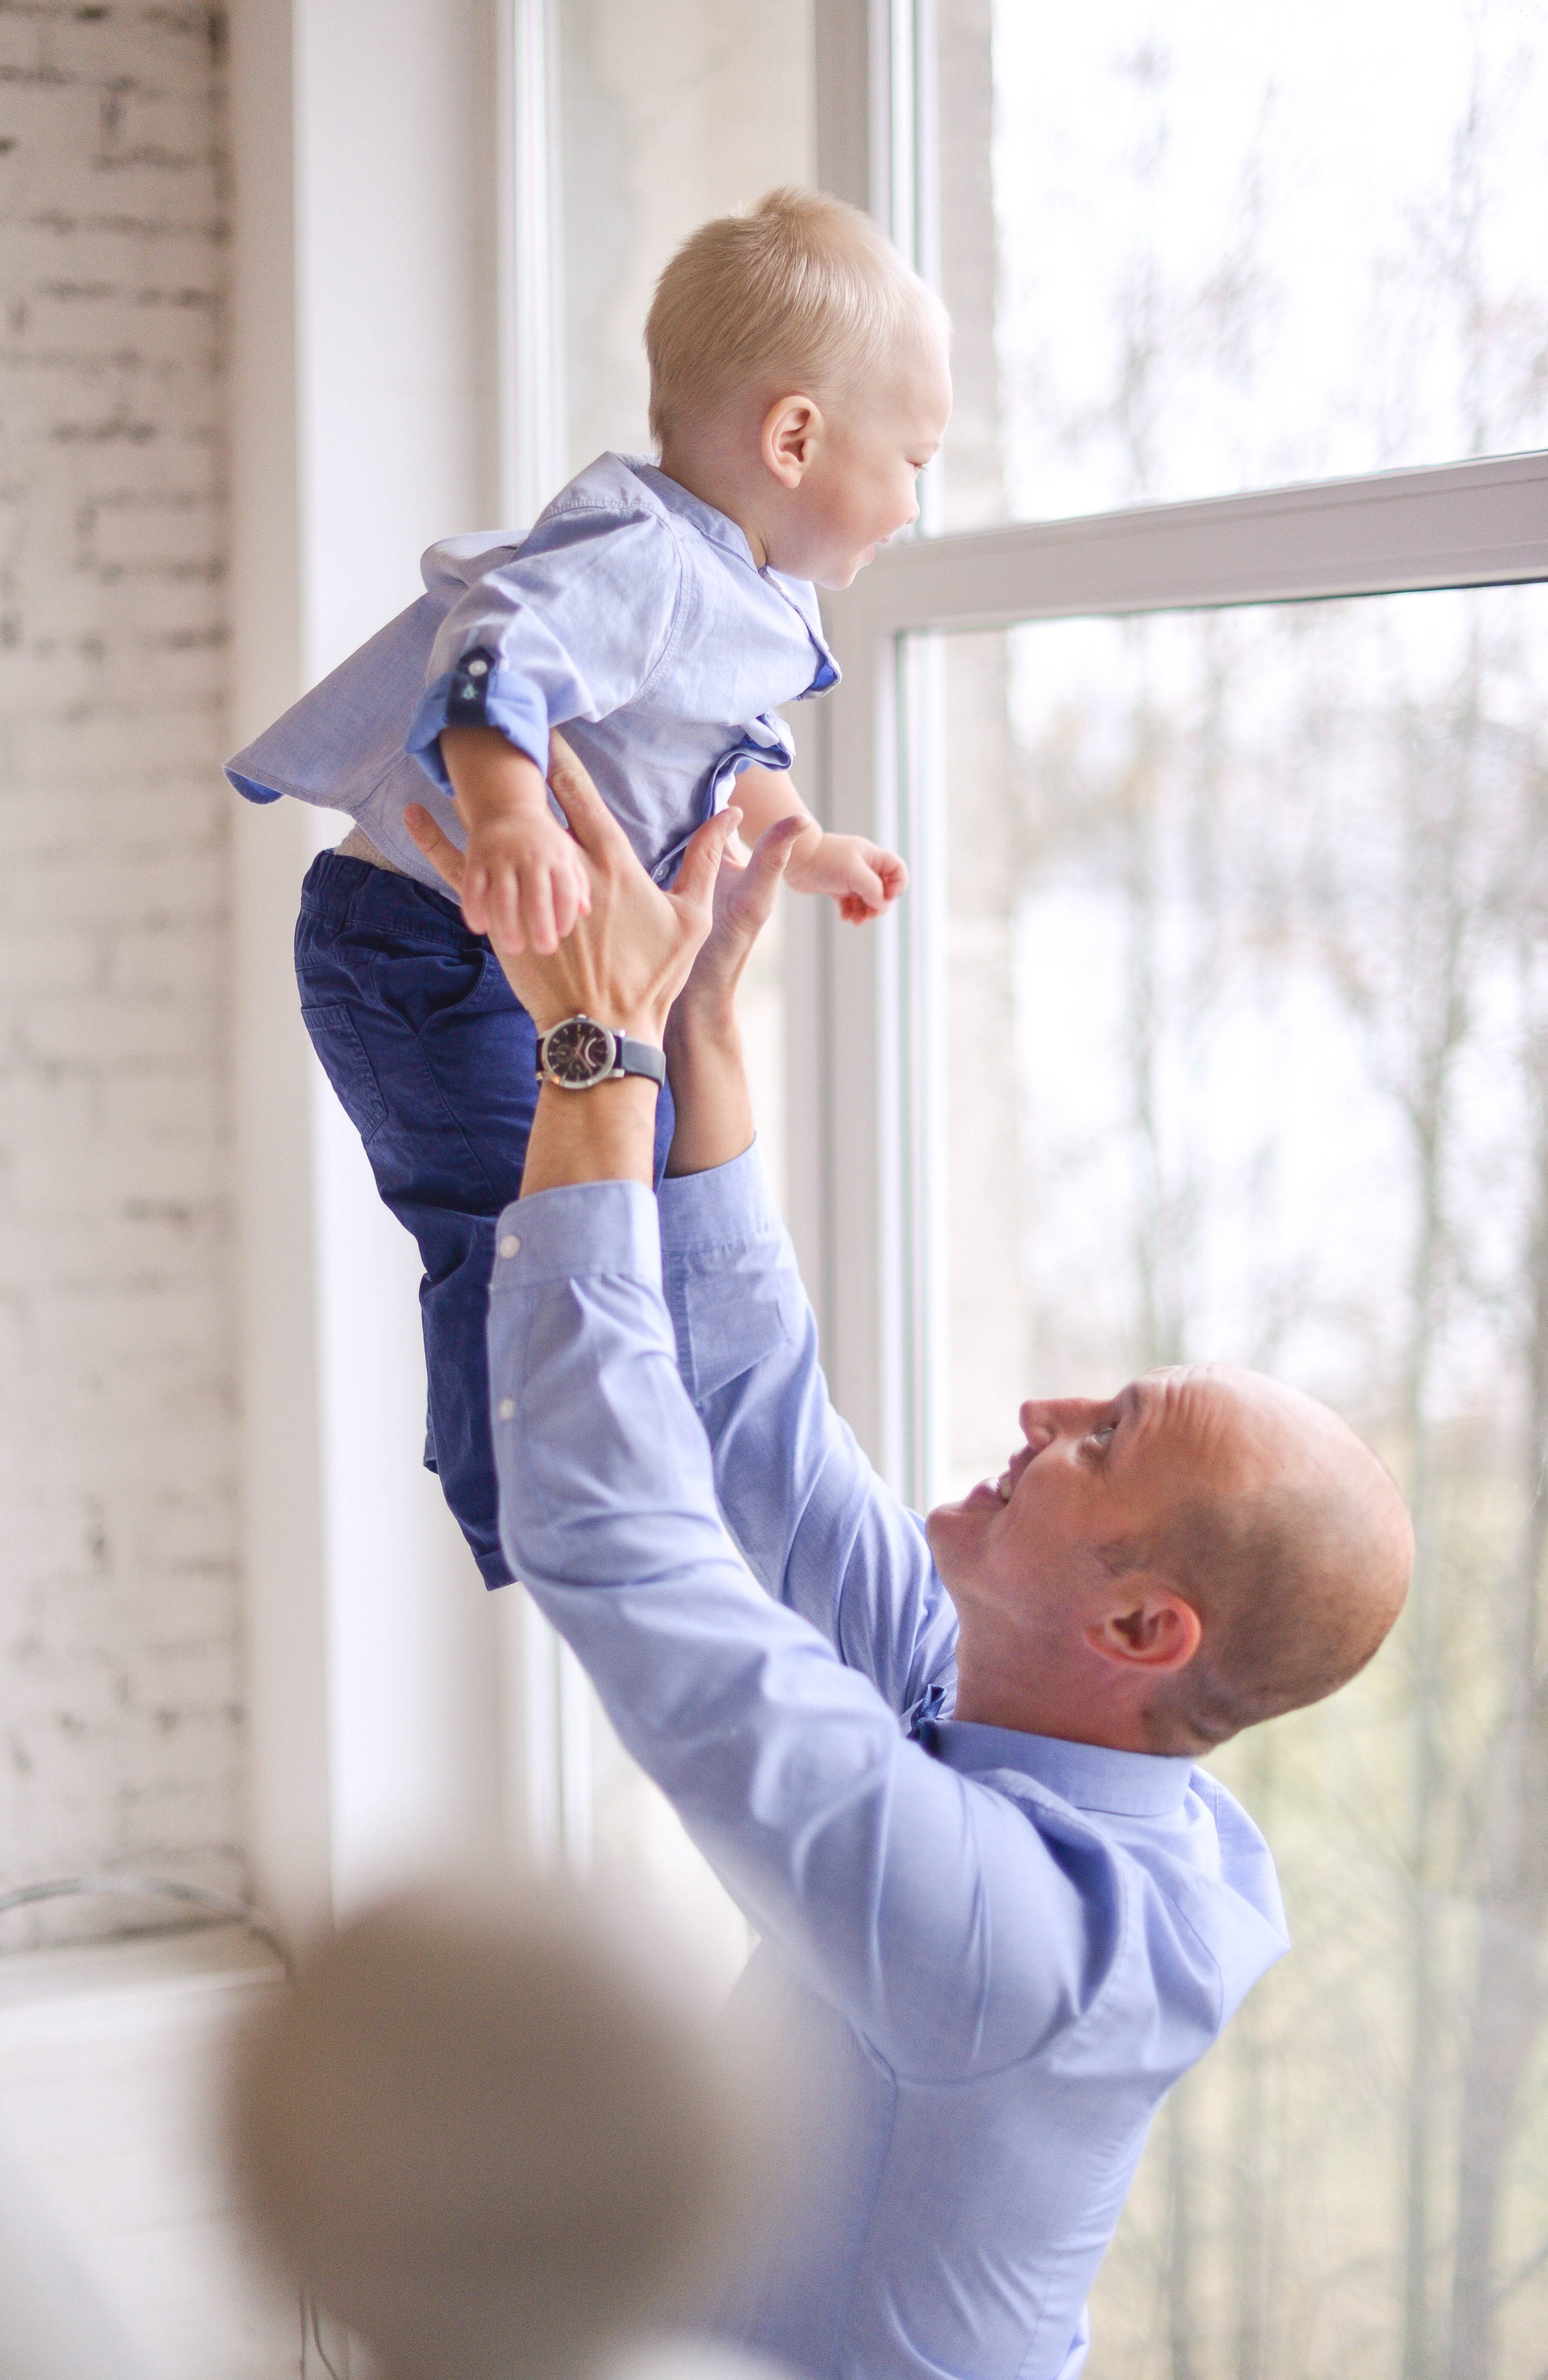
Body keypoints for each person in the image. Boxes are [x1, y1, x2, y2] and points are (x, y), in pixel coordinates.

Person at [402, 739, 1416, 2380]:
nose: (1041, 1408)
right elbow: (759, 1439)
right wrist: (699, 1022)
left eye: (1103, 1436)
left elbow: (623, 1550)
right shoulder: (1029, 1729)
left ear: (1141, 1624)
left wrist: (597, 1056)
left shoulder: (1019, 1947)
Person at [223, 188, 945, 1590]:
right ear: (794, 438)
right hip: (424, 949)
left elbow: (725, 752)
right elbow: (496, 652)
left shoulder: (744, 585)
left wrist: (800, 843)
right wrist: (503, 814)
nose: (919, 503)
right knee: (517, 1223)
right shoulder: (646, 558)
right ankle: (531, 1508)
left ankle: (620, 1464)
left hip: (512, 951)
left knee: (621, 1197)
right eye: (913, 460)